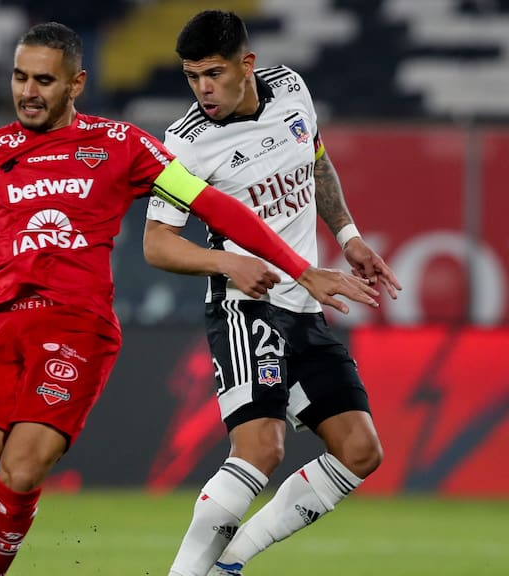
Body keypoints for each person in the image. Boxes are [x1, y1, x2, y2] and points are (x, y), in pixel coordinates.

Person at [0, 22, 380, 576]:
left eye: (44, 81)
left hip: (78, 332)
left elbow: (211, 205)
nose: (28, 92)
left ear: (76, 83)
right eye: (20, 78)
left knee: (21, 471)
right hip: (1, 331)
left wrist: (304, 266)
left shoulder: (122, 145)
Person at [142, 10, 403, 576]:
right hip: (247, 306)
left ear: (247, 64)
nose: (203, 89)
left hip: (305, 308)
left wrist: (349, 235)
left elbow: (315, 160)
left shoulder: (290, 90)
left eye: (212, 73)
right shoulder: (187, 144)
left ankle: (227, 565)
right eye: (191, 76)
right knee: (261, 450)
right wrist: (225, 260)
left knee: (360, 452)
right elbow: (157, 244)